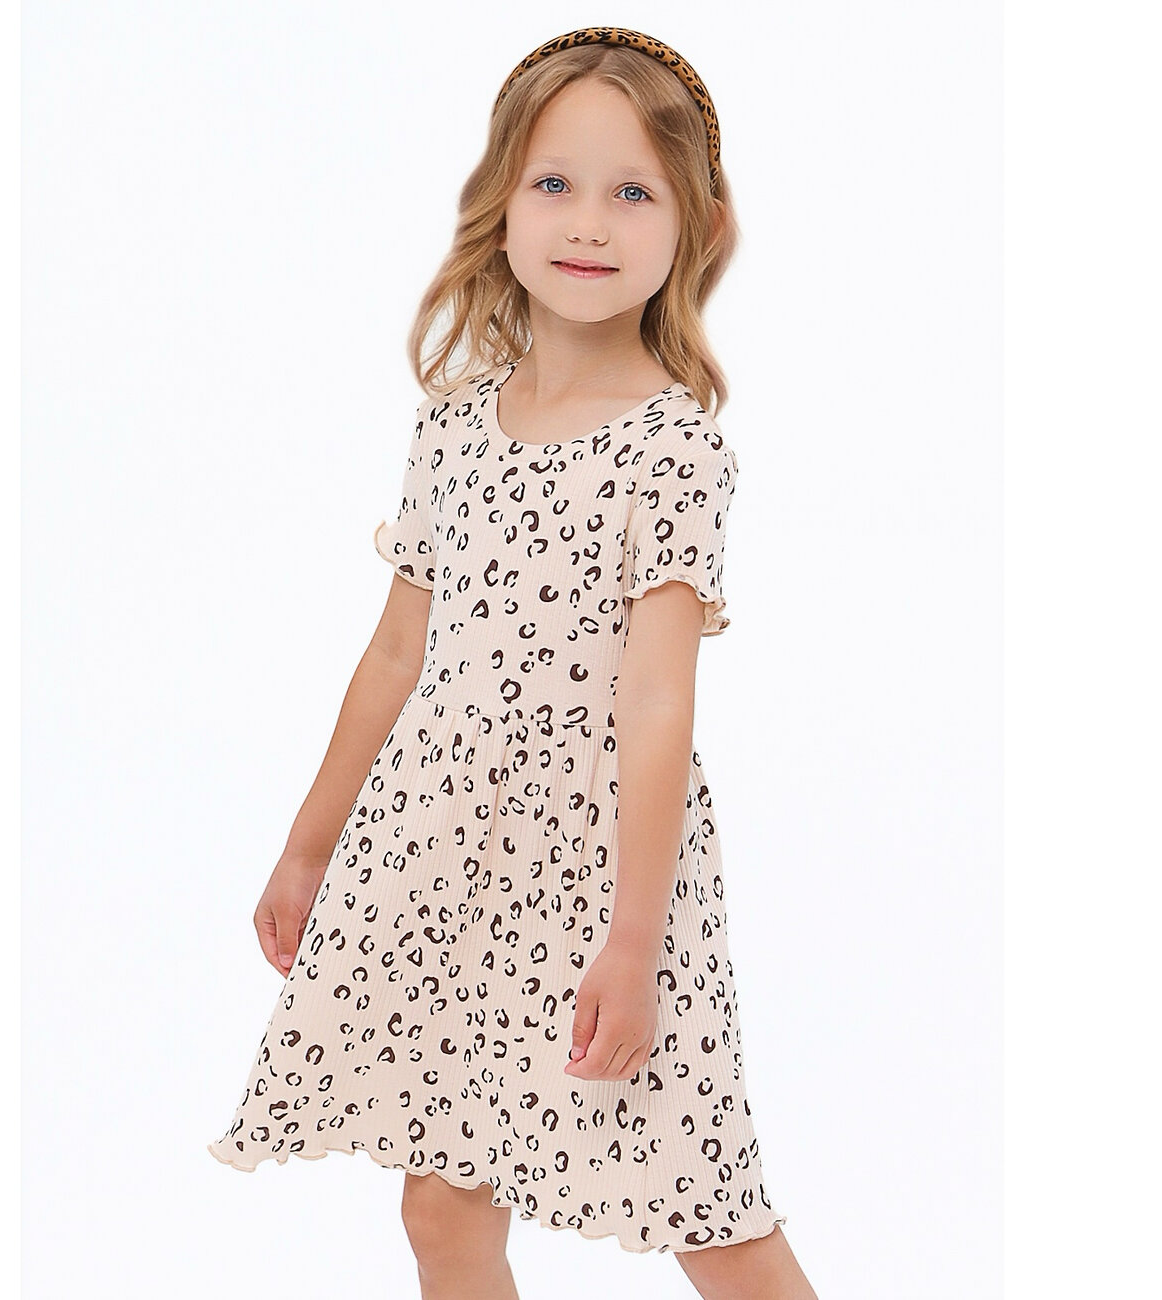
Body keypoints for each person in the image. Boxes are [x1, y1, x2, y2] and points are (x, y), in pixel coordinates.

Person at [207, 26, 818, 1300]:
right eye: (554, 182)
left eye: (631, 191)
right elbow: (395, 652)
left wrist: (634, 943)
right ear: (501, 200)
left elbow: (656, 699)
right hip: (439, 852)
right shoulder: (454, 425)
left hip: (601, 868)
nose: (587, 222)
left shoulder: (671, 450)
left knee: (702, 1208)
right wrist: (310, 845)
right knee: (440, 1206)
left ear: (696, 225)